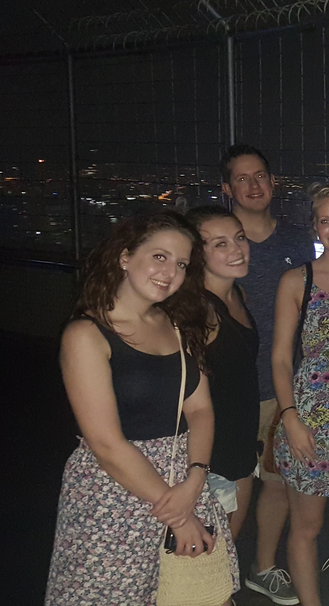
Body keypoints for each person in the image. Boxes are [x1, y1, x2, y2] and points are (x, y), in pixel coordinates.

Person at [46, 210, 240, 605]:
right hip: (114, 492)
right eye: (159, 256)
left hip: (182, 479)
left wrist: (196, 477)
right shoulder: (86, 334)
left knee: (195, 593)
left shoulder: (177, 325)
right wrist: (181, 515)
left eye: (182, 263)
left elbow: (200, 409)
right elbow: (105, 443)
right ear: (124, 256)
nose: (170, 272)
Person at [222, 143, 311, 605]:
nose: (254, 185)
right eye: (242, 178)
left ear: (273, 183)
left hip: (285, 386)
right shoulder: (218, 243)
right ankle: (214, 577)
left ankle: (263, 568)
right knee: (227, 486)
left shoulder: (296, 242)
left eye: (261, 176)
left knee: (276, 482)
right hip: (231, 389)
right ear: (227, 188)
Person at [271, 183, 329, 606]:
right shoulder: (297, 280)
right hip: (311, 419)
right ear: (315, 226)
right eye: (325, 220)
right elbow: (280, 358)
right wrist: (289, 417)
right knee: (306, 527)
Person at [187, 205, 260, 540]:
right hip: (212, 458)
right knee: (209, 565)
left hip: (239, 447)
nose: (237, 249)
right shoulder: (199, 311)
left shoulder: (236, 295)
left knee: (227, 556)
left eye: (239, 238)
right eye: (220, 244)